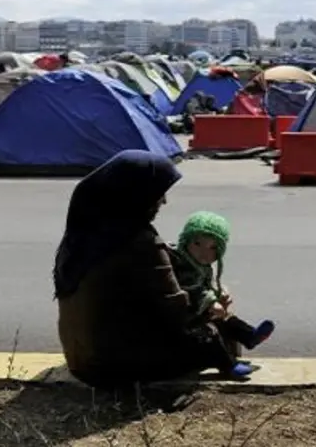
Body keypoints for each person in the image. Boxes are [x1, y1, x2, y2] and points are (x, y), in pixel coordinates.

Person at [55, 150, 256, 388]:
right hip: (112, 367)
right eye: (159, 194)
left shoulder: (85, 231)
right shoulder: (140, 242)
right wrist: (210, 306)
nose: (163, 201)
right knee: (215, 333)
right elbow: (176, 312)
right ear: (137, 194)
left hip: (81, 359)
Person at [172, 211, 274, 350]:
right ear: (186, 241)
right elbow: (192, 288)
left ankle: (250, 335)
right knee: (219, 323)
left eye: (213, 248)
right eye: (197, 244)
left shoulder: (201, 266)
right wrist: (210, 302)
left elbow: (208, 283)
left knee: (226, 318)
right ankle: (231, 358)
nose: (204, 252)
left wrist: (220, 292)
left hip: (198, 310)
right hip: (184, 314)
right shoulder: (182, 263)